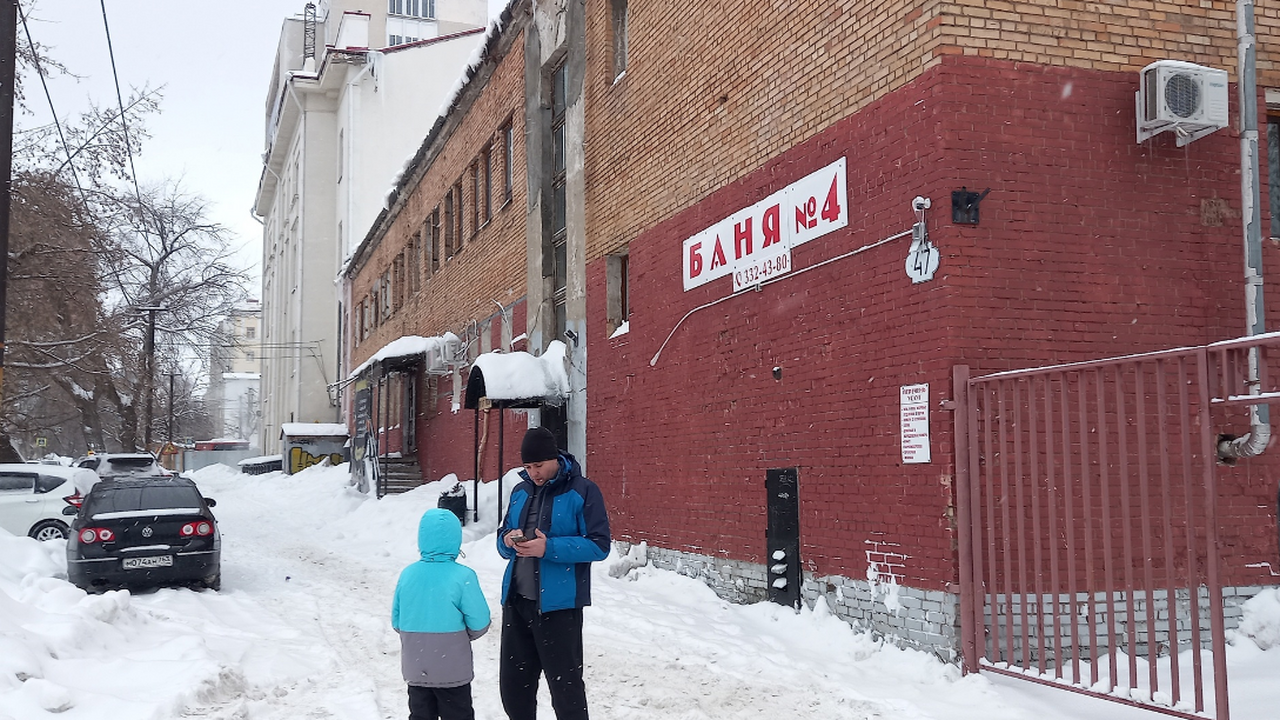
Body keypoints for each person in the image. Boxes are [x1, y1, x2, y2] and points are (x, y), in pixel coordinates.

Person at [496, 426, 611, 720]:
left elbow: (599, 546)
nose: (533, 472)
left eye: (539, 465)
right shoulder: (520, 491)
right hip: (518, 602)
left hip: (559, 607)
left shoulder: (583, 490)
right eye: (527, 466)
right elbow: (502, 539)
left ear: (555, 459)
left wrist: (549, 549)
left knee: (566, 690)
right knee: (513, 689)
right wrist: (509, 540)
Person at [393, 508, 491, 720]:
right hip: (452, 671)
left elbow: (397, 620)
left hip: (417, 668)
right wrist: (461, 637)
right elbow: (480, 622)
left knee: (420, 714)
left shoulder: (408, 574)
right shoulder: (463, 576)